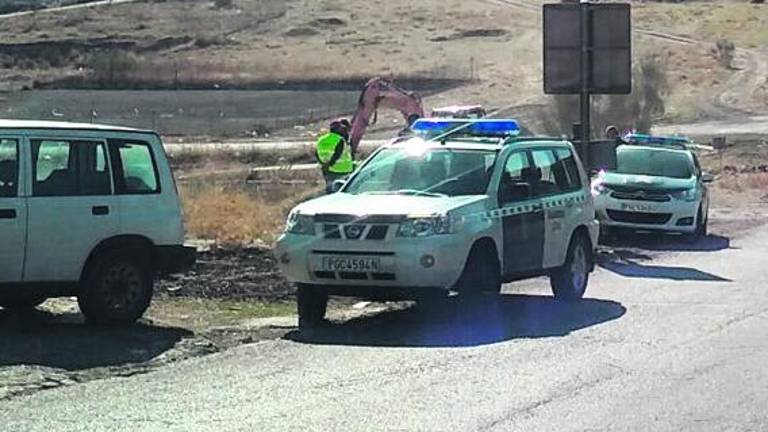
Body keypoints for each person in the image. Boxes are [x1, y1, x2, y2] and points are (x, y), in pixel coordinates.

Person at [316, 118, 354, 192]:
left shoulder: (321, 139)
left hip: (326, 170)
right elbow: (337, 154)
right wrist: (329, 164)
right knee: (342, 190)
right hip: (342, 170)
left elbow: (316, 153)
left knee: (330, 189)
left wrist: (323, 164)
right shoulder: (340, 140)